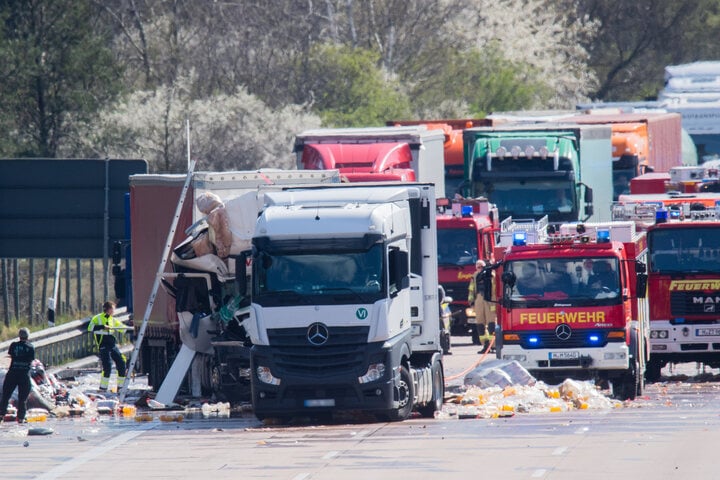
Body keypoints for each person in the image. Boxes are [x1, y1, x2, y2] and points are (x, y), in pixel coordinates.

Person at [88, 301, 128, 392]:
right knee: (108, 366)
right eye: (113, 309)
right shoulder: (97, 318)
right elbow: (90, 328)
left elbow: (123, 328)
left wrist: (131, 326)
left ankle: (121, 387)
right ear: (109, 309)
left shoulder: (112, 319)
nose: (114, 311)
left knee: (121, 362)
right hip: (103, 345)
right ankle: (103, 388)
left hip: (112, 345)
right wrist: (102, 326)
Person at [0, 328, 35, 423]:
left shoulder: (13, 345)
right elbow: (31, 360)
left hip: (12, 373)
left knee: (6, 395)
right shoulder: (31, 347)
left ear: (19, 336)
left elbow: (11, 356)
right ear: (28, 336)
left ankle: (1, 414)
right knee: (22, 398)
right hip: (24, 375)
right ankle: (20, 418)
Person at [468, 260, 496, 353]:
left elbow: (495, 288)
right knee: (480, 324)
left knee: (492, 324)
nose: (479, 269)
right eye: (478, 267)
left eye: (481, 267)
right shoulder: (474, 276)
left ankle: (494, 345)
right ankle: (485, 345)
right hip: (479, 300)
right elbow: (471, 289)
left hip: (490, 300)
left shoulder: (492, 275)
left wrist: (494, 303)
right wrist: (471, 301)